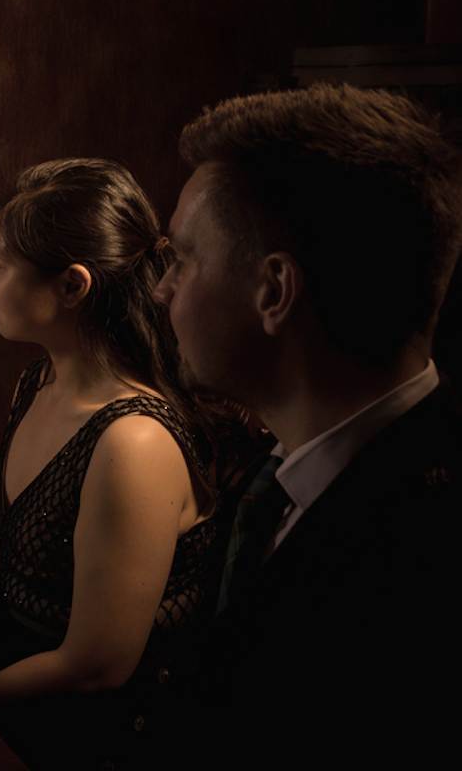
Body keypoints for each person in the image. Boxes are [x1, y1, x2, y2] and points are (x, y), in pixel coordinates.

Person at [152, 84, 461, 767]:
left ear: (274, 291)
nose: (160, 289)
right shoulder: (271, 475)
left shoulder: (427, 559)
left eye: (182, 259)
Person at [0, 158, 219, 769]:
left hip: (82, 732)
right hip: (2, 678)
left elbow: (95, 666)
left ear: (73, 286)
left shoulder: (133, 441)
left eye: (3, 262)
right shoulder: (37, 383)